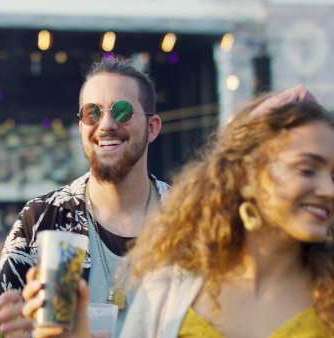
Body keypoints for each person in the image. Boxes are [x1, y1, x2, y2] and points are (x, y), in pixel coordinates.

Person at [24, 86, 334, 337]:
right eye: (307, 170)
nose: (329, 190)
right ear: (245, 176)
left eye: (333, 175)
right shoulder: (168, 288)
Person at [0, 56, 169, 337]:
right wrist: (11, 328)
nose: (106, 124)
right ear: (82, 127)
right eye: (91, 113)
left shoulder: (193, 219)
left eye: (122, 111)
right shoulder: (42, 218)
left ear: (152, 127)